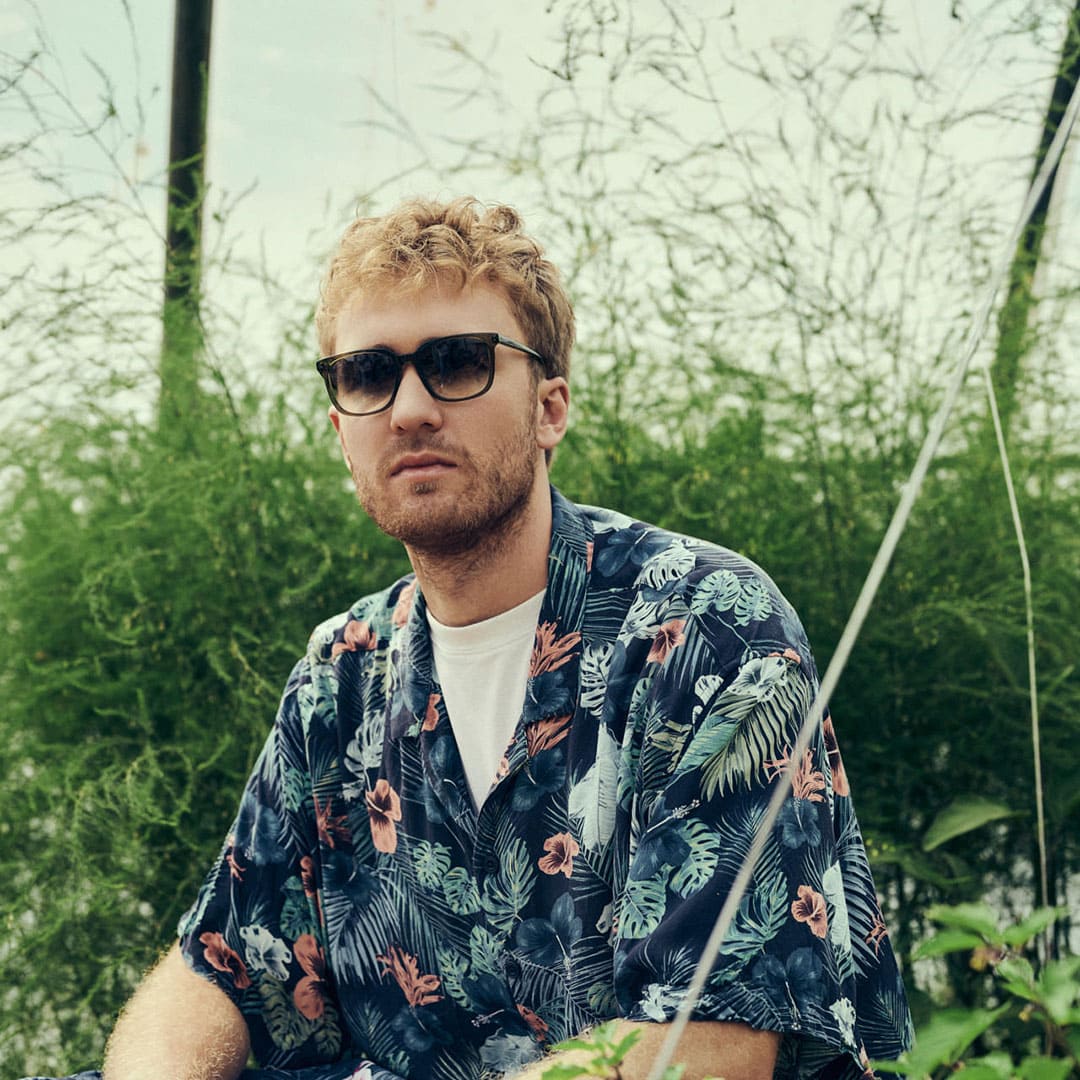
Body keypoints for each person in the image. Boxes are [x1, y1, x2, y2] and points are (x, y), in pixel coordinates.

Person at [32, 197, 912, 1080]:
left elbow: (710, 1047)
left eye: (458, 362)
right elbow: (219, 967)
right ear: (341, 429)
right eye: (368, 374)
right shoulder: (343, 673)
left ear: (549, 407)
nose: (410, 408)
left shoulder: (703, 627)